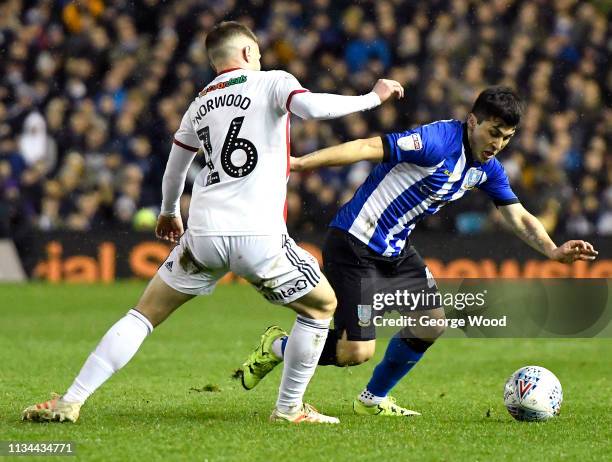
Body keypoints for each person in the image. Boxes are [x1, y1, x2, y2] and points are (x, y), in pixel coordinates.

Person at [22, 21, 404, 424]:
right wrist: (371, 98)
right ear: (246, 53)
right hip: (258, 237)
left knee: (143, 315)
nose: (260, 57)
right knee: (321, 307)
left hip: (202, 234)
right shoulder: (272, 82)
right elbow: (311, 108)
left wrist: (169, 211)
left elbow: (175, 169)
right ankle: (289, 408)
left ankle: (72, 398)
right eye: (256, 51)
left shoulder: (199, 104)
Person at [238, 86, 598, 416]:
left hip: (397, 251)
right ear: (473, 121)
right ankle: (278, 347)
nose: (497, 144)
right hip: (355, 246)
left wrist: (551, 249)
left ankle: (373, 400)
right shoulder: (437, 140)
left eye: (506, 138)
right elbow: (367, 147)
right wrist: (299, 164)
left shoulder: (487, 169)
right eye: (492, 133)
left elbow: (516, 215)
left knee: (431, 323)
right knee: (355, 353)